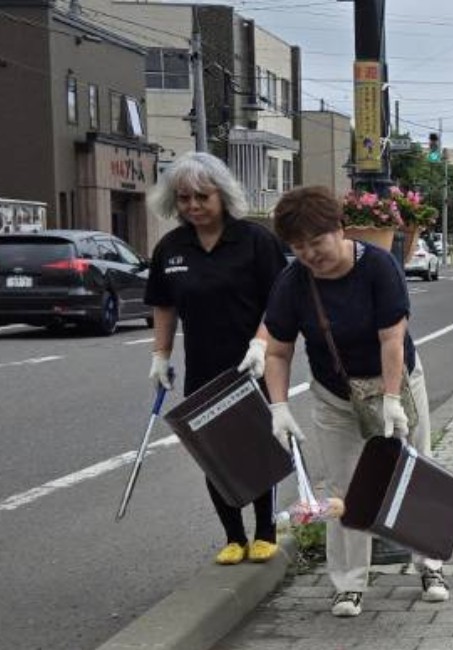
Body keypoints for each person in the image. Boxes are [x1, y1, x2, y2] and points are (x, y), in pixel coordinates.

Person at [262, 185, 449, 618]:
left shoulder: (378, 267)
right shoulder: (293, 283)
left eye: (317, 241)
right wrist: (278, 407)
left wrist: (390, 399)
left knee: (413, 470)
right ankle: (348, 584)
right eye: (299, 246)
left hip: (396, 381)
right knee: (343, 486)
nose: (310, 253)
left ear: (340, 229)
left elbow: (392, 338)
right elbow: (278, 350)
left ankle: (430, 566)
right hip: (335, 394)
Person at [144, 151, 287, 565]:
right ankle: (232, 535)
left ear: (222, 195)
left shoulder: (256, 241)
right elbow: (164, 306)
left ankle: (265, 530)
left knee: (256, 447)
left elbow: (279, 303)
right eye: (184, 198)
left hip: (252, 364)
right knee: (214, 451)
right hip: (203, 366)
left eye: (201, 197)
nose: (193, 206)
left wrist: (261, 344)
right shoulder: (171, 248)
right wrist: (160, 355)